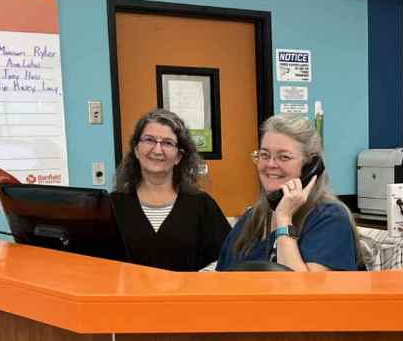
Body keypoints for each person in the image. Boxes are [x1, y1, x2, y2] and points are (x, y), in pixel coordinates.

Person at [217, 114, 361, 271]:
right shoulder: (253, 217)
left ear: (311, 166)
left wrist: (284, 219)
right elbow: (222, 278)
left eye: (283, 157)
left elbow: (301, 291)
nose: (271, 164)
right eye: (264, 155)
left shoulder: (330, 218)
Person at [111, 109, 229, 272]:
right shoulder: (114, 205)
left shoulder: (201, 204)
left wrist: (197, 281)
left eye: (167, 143)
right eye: (149, 140)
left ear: (179, 156)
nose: (157, 150)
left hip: (186, 296)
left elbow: (225, 257)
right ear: (137, 150)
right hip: (127, 297)